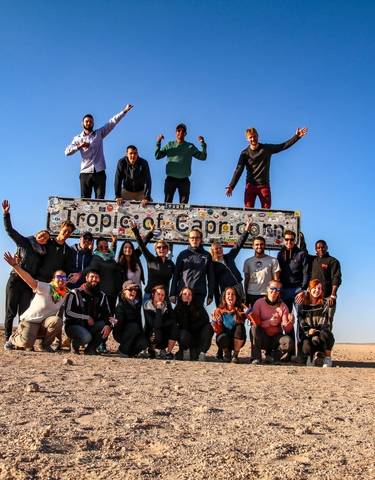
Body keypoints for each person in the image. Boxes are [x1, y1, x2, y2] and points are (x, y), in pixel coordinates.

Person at [225, 126, 308, 208]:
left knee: (266, 210)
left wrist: (296, 137)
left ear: (258, 136)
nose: (253, 139)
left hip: (264, 185)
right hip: (250, 185)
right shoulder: (245, 153)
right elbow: (238, 170)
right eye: (250, 137)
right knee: (248, 210)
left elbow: (282, 146)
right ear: (247, 139)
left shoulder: (266, 148)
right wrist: (231, 186)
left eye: (254, 136)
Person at [2, 200, 50, 342]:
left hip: (28, 284)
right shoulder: (24, 242)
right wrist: (6, 214)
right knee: (10, 311)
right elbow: (10, 230)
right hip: (16, 280)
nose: (43, 238)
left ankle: (20, 338)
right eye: (41, 235)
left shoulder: (43, 254)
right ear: (36, 235)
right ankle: (7, 338)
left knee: (24, 313)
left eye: (46, 238)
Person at [65, 103, 133, 199]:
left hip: (99, 172)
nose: (89, 123)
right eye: (87, 121)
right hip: (85, 172)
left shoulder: (99, 134)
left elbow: (112, 122)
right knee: (84, 200)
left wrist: (124, 111)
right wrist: (79, 146)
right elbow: (67, 152)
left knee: (100, 199)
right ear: (82, 123)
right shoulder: (77, 138)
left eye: (91, 122)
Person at [3, 252, 67, 352]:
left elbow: (76, 289)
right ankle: (13, 339)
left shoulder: (64, 293)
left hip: (44, 324)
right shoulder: (45, 287)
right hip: (31, 321)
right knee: (27, 344)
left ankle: (44, 345)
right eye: (59, 277)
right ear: (53, 279)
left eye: (63, 278)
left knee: (57, 321)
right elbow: (29, 279)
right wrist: (15, 266)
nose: (61, 280)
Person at [155, 123, 207, 203]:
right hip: (170, 179)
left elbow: (203, 157)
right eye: (178, 130)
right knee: (167, 204)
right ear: (175, 132)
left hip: (184, 180)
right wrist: (158, 142)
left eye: (183, 131)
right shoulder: (170, 145)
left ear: (185, 133)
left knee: (184, 207)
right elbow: (157, 156)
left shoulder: (190, 146)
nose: (180, 132)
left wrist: (203, 144)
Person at [64, 269, 112, 354]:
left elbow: (107, 314)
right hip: (74, 326)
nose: (94, 279)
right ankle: (74, 344)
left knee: (106, 325)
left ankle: (91, 349)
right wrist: (86, 317)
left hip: (90, 327)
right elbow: (68, 312)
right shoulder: (75, 292)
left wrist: (108, 325)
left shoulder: (102, 295)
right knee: (86, 337)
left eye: (97, 277)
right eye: (92, 277)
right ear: (86, 278)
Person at [249, 280, 294, 364]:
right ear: (267, 289)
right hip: (262, 337)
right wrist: (269, 322)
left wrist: (291, 322)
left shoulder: (283, 306)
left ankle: (273, 357)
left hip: (275, 338)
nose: (274, 291)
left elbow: (286, 329)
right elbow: (254, 323)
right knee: (254, 328)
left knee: (288, 341)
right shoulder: (259, 303)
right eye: (272, 288)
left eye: (277, 290)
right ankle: (256, 357)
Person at [130, 220, 175, 299]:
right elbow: (142, 245)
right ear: (156, 250)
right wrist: (135, 231)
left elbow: (179, 276)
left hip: (163, 297)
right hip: (149, 295)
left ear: (167, 250)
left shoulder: (171, 264)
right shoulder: (151, 259)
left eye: (164, 247)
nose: (162, 249)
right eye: (159, 247)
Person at [211, 219, 252, 306]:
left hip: (238, 287)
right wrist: (218, 304)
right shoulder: (213, 266)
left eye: (220, 248)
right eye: (216, 249)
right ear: (212, 251)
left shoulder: (229, 256)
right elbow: (215, 286)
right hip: (226, 291)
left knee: (241, 310)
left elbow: (238, 245)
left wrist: (246, 230)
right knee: (228, 311)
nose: (219, 250)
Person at [170, 228, 214, 306]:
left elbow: (211, 277)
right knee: (181, 317)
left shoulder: (207, 255)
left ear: (201, 240)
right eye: (192, 238)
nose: (194, 240)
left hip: (199, 293)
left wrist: (210, 295)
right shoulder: (182, 254)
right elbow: (176, 275)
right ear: (189, 240)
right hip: (183, 292)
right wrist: (172, 293)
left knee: (197, 317)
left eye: (197, 238)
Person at [298, 279, 335, 367]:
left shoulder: (326, 303)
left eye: (319, 288)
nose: (317, 290)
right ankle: (309, 358)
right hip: (309, 335)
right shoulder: (303, 306)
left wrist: (332, 301)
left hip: (321, 335)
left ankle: (327, 358)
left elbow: (327, 321)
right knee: (306, 345)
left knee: (325, 334)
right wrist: (308, 331)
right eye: (314, 288)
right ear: (309, 289)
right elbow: (301, 321)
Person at [174, 287, 213, 361]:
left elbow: (206, 320)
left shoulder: (198, 306)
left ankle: (202, 353)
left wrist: (193, 327)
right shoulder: (177, 308)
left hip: (198, 337)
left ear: (192, 297)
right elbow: (182, 326)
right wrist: (185, 307)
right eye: (185, 294)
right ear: (181, 296)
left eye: (189, 294)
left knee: (209, 327)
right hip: (185, 339)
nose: (187, 296)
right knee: (182, 332)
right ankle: (186, 351)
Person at [211, 287, 247, 363]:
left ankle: (235, 355)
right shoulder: (218, 310)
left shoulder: (240, 310)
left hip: (237, 340)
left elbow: (254, 322)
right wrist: (215, 323)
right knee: (221, 336)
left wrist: (250, 312)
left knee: (240, 326)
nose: (230, 296)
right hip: (224, 341)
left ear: (236, 297)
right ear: (224, 297)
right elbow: (217, 331)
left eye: (233, 294)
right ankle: (227, 354)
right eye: (228, 294)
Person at [113, 281, 148, 357]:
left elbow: (139, 322)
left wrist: (141, 334)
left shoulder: (137, 304)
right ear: (124, 291)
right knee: (133, 326)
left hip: (134, 331)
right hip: (121, 333)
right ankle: (123, 350)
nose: (133, 292)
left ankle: (130, 353)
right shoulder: (120, 305)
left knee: (144, 342)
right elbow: (119, 325)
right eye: (130, 289)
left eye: (135, 290)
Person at [310, 240, 342, 323]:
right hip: (314, 298)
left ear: (326, 247)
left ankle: (326, 336)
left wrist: (333, 296)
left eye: (322, 247)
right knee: (314, 322)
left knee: (327, 323)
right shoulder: (313, 260)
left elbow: (336, 278)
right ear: (315, 249)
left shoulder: (333, 261)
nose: (321, 249)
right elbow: (303, 251)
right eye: (318, 248)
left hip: (328, 297)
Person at [277, 230, 309, 311]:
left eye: (291, 239)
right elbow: (278, 272)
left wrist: (303, 289)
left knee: (301, 315)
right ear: (284, 240)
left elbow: (306, 272)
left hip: (298, 289)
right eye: (287, 239)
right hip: (284, 289)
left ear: (295, 241)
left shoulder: (301, 254)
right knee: (285, 317)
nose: (289, 241)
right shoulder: (280, 254)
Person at [243, 236, 280, 307]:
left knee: (267, 317)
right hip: (251, 294)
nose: (259, 246)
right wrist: (246, 295)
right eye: (257, 244)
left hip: (266, 294)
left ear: (264, 245)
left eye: (261, 244)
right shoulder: (248, 261)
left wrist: (277, 296)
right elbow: (246, 280)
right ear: (253, 246)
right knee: (253, 317)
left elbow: (276, 281)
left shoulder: (273, 260)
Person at [143, 285, 178, 359]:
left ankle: (168, 352)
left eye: (162, 295)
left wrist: (162, 324)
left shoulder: (167, 306)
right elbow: (155, 325)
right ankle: (151, 350)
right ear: (153, 294)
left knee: (175, 326)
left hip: (164, 338)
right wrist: (158, 309)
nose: (160, 297)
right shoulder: (147, 307)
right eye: (158, 294)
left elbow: (173, 320)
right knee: (156, 330)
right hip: (151, 337)